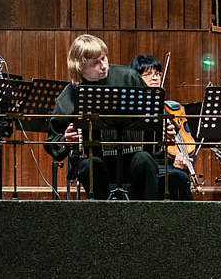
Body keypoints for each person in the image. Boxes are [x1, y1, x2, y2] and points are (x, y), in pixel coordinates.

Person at [46, 34, 160, 200]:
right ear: (80, 66)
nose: (104, 65)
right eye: (95, 63)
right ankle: (103, 217)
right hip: (95, 157)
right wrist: (65, 140)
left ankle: (147, 218)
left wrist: (164, 130)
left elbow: (154, 114)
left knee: (145, 160)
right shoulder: (70, 95)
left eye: (104, 58)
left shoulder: (127, 77)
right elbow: (52, 141)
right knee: (90, 165)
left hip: (131, 155)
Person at [129, 54, 195, 200]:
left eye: (157, 74)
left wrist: (185, 160)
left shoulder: (171, 110)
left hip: (167, 164)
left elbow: (187, 143)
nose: (155, 78)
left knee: (178, 175)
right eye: (148, 74)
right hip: (140, 165)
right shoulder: (130, 109)